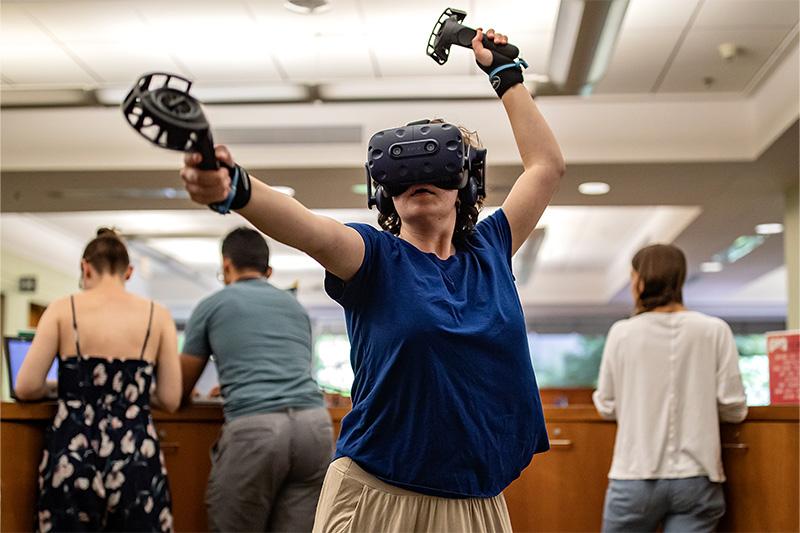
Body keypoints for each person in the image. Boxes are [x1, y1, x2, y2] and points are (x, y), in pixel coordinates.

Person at [180, 28, 563, 532]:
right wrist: (236, 188)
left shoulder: (490, 249)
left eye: (436, 163)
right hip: (380, 496)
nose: (418, 179)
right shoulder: (374, 258)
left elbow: (546, 166)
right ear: (386, 192)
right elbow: (308, 228)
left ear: (465, 182)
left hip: (476, 501)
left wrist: (506, 75)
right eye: (403, 172)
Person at [15, 228, 181, 532]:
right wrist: (133, 393)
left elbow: (25, 387)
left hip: (75, 451)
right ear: (128, 272)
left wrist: (62, 388)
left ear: (85, 267)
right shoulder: (157, 315)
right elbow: (170, 398)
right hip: (135, 455)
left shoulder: (64, 308)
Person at [180, 227, 332, 533]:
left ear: (225, 265)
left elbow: (179, 388)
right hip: (315, 428)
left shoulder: (212, 305)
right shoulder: (295, 307)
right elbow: (291, 367)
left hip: (257, 430)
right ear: (269, 270)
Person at [593, 244, 748, 533]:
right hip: (697, 478)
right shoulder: (714, 330)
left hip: (634, 476)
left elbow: (606, 405)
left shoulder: (622, 333)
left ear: (639, 280)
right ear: (679, 280)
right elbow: (734, 408)